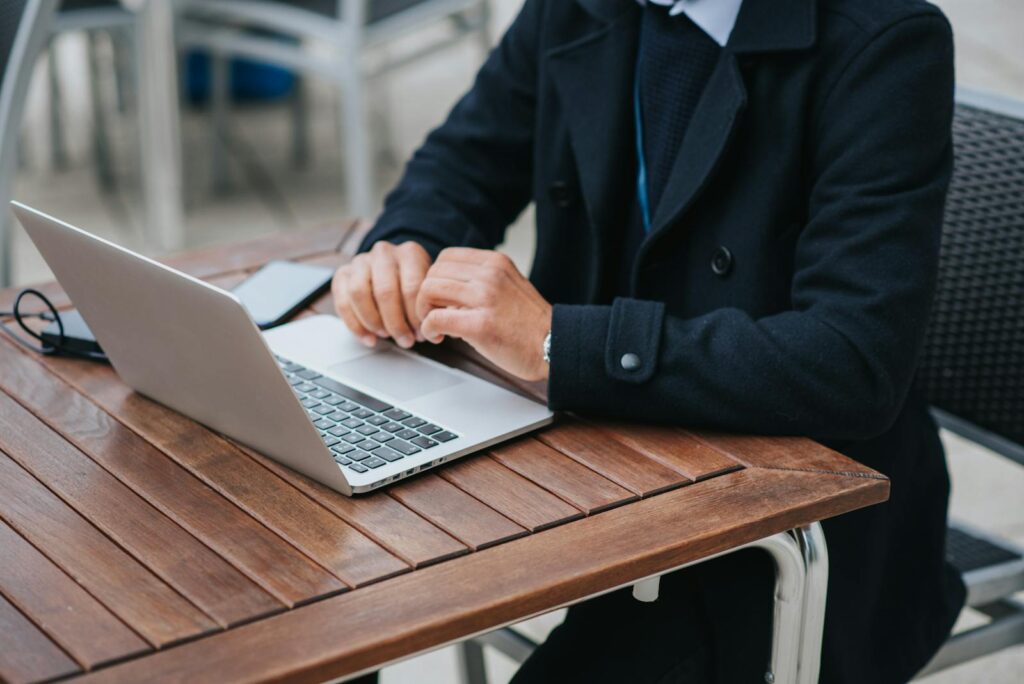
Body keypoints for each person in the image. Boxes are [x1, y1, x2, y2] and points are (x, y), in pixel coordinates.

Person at [332, 0, 965, 681]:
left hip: (782, 517)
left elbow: (851, 361)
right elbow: (463, 160)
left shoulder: (886, 40)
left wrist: (558, 341)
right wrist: (404, 249)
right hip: (588, 465)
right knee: (330, 604)